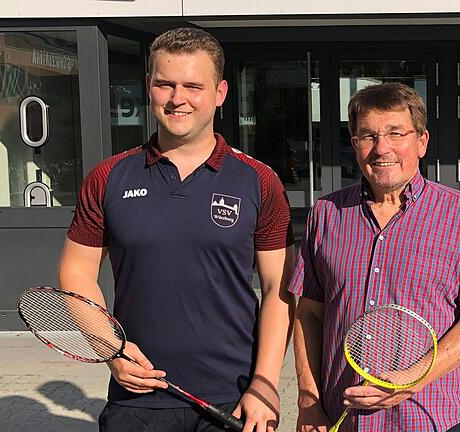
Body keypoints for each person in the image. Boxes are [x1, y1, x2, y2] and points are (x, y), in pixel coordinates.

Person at [59, 27, 295, 432]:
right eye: (165, 84)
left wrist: (265, 383)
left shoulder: (258, 180)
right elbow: (75, 274)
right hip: (137, 398)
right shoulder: (108, 177)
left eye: (193, 86)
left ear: (219, 93)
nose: (177, 98)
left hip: (234, 397)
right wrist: (110, 349)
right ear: (149, 86)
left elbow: (280, 289)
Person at [290, 82, 460, 432]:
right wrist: (308, 401)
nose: (382, 149)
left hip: (430, 419)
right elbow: (309, 314)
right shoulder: (327, 214)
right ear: (354, 145)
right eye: (368, 136)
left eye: (396, 133)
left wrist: (411, 379)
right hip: (342, 419)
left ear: (421, 141)